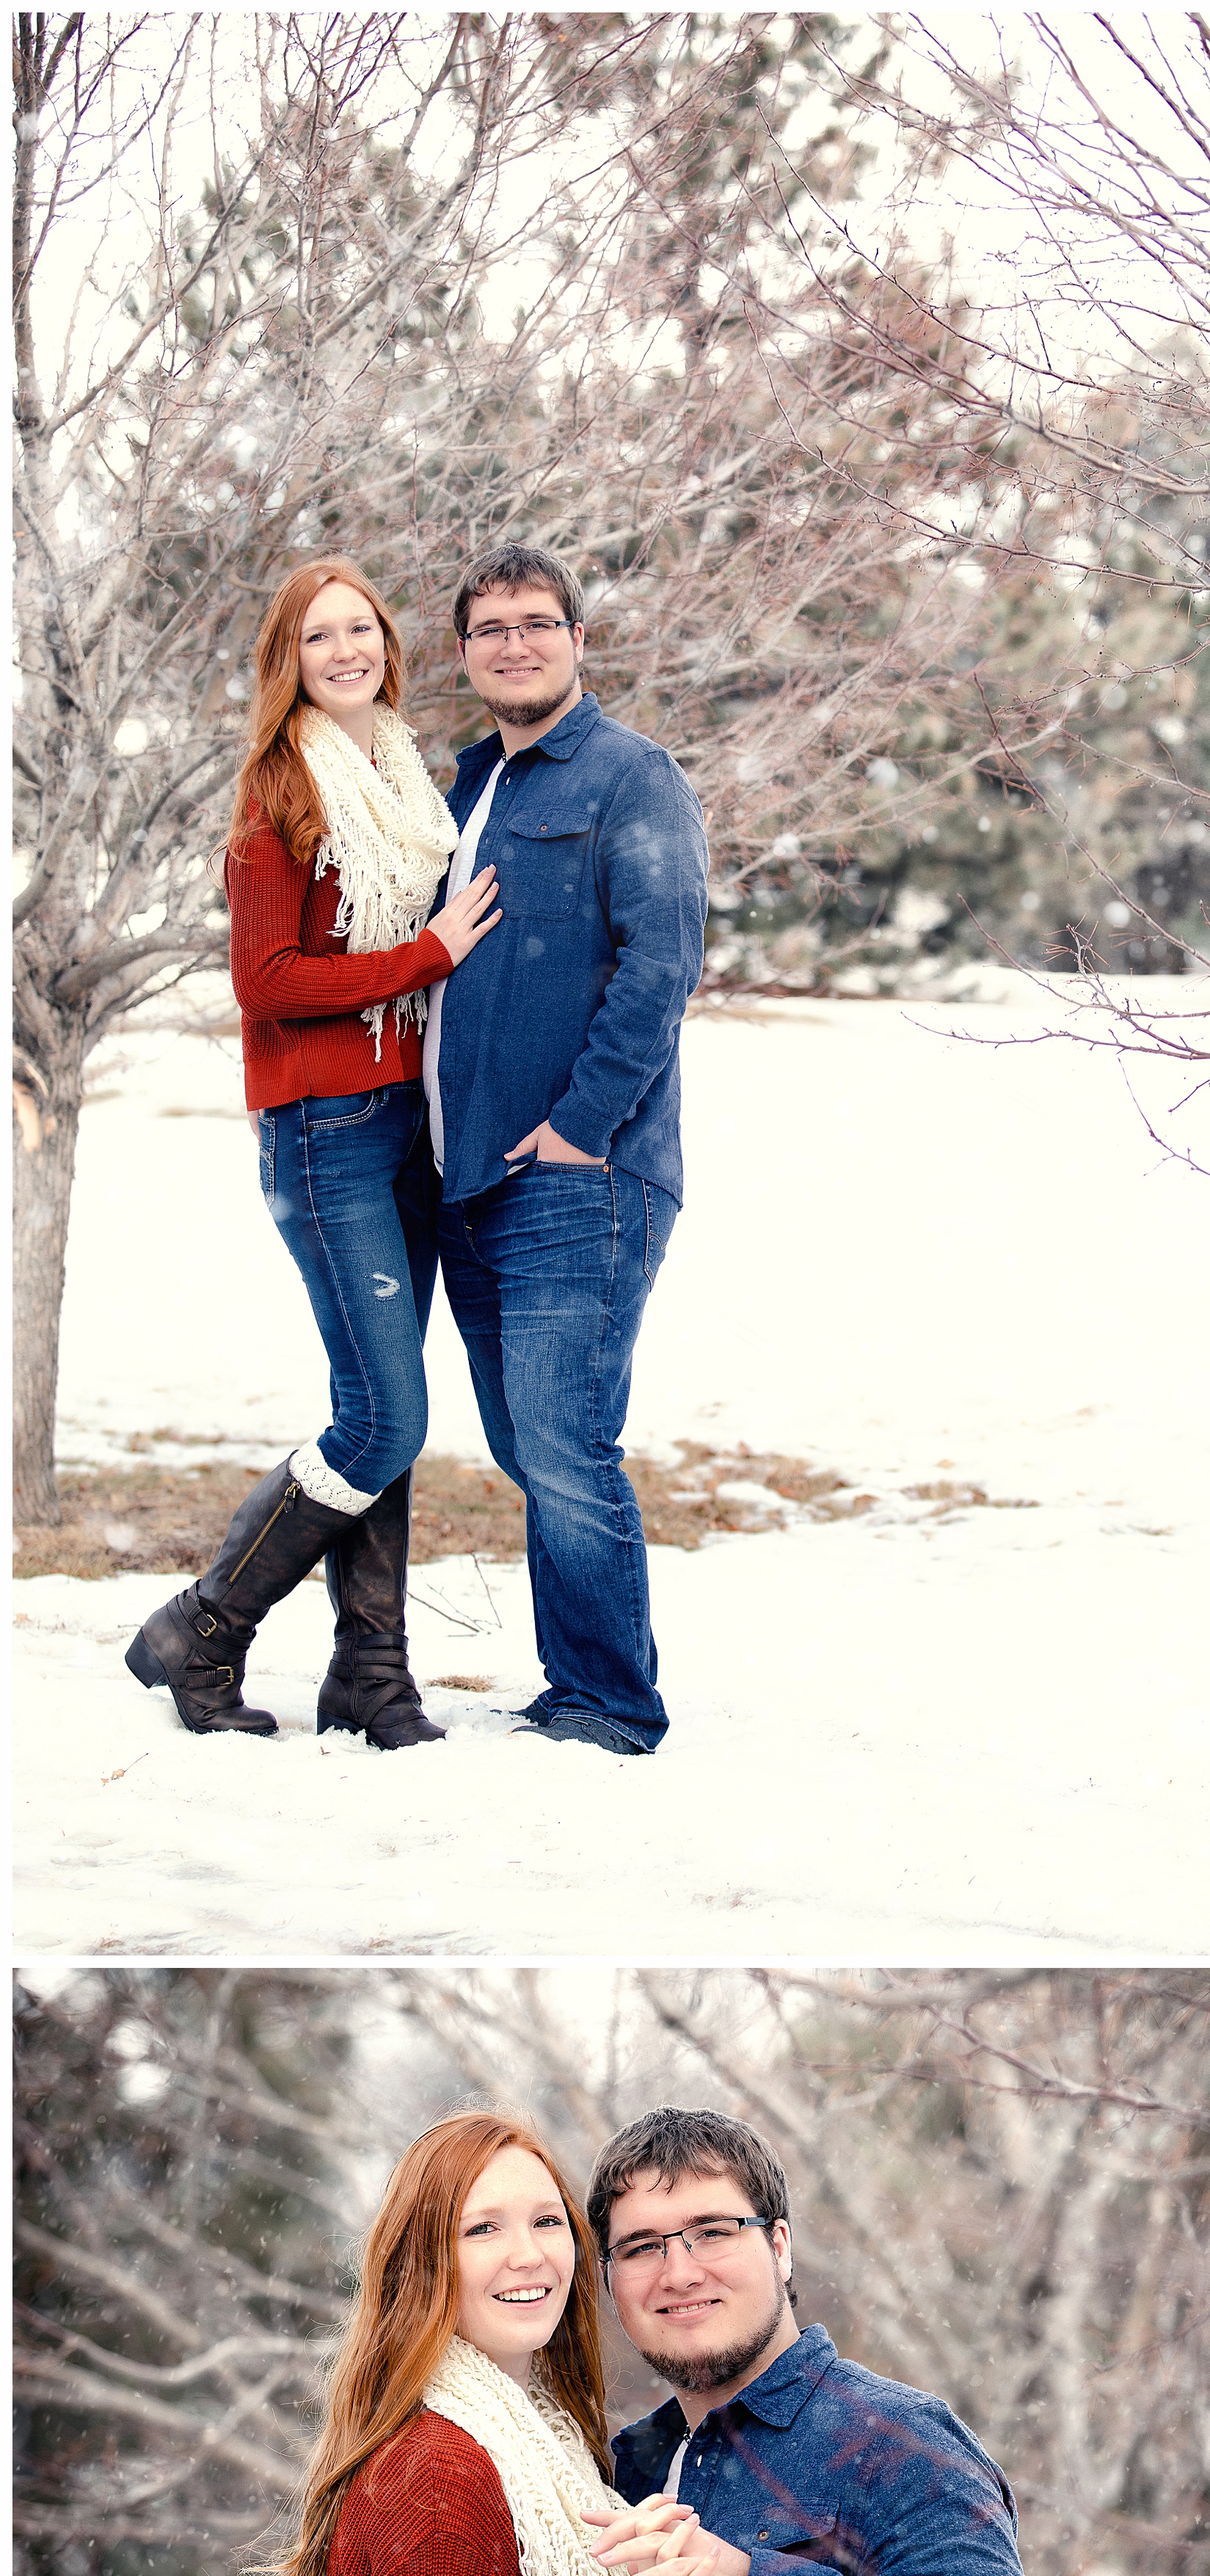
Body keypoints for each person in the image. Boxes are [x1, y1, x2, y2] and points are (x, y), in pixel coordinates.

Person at [125, 560, 501, 1747]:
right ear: (285, 657)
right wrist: (426, 954)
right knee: (384, 1418)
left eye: (363, 629)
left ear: (387, 645)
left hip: (409, 1124)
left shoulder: (402, 779)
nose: (347, 649)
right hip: (323, 1127)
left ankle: (371, 1677)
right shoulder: (276, 794)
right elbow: (267, 981)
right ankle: (205, 1624)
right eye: (319, 634)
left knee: (376, 1409)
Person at [422, 541, 709, 1757]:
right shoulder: (470, 783)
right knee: (531, 1440)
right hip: (470, 1174)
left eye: (538, 623)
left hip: (576, 1177)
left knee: (564, 1436)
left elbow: (663, 961)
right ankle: (577, 1678)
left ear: (578, 641)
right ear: (465, 651)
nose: (515, 644)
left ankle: (610, 1702)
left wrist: (583, 1129)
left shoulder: (633, 777)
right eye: (491, 628)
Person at [582, 2108, 1045, 2576]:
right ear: (611, 2281)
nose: (679, 2270)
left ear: (781, 2244)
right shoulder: (616, 2470)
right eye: (641, 2245)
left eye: (712, 2230)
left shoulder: (896, 2437)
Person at [275, 2110, 710, 2576]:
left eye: (546, 2220)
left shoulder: (542, 2445)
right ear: (423, 2261)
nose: (528, 2254)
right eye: (483, 2228)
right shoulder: (439, 2475)